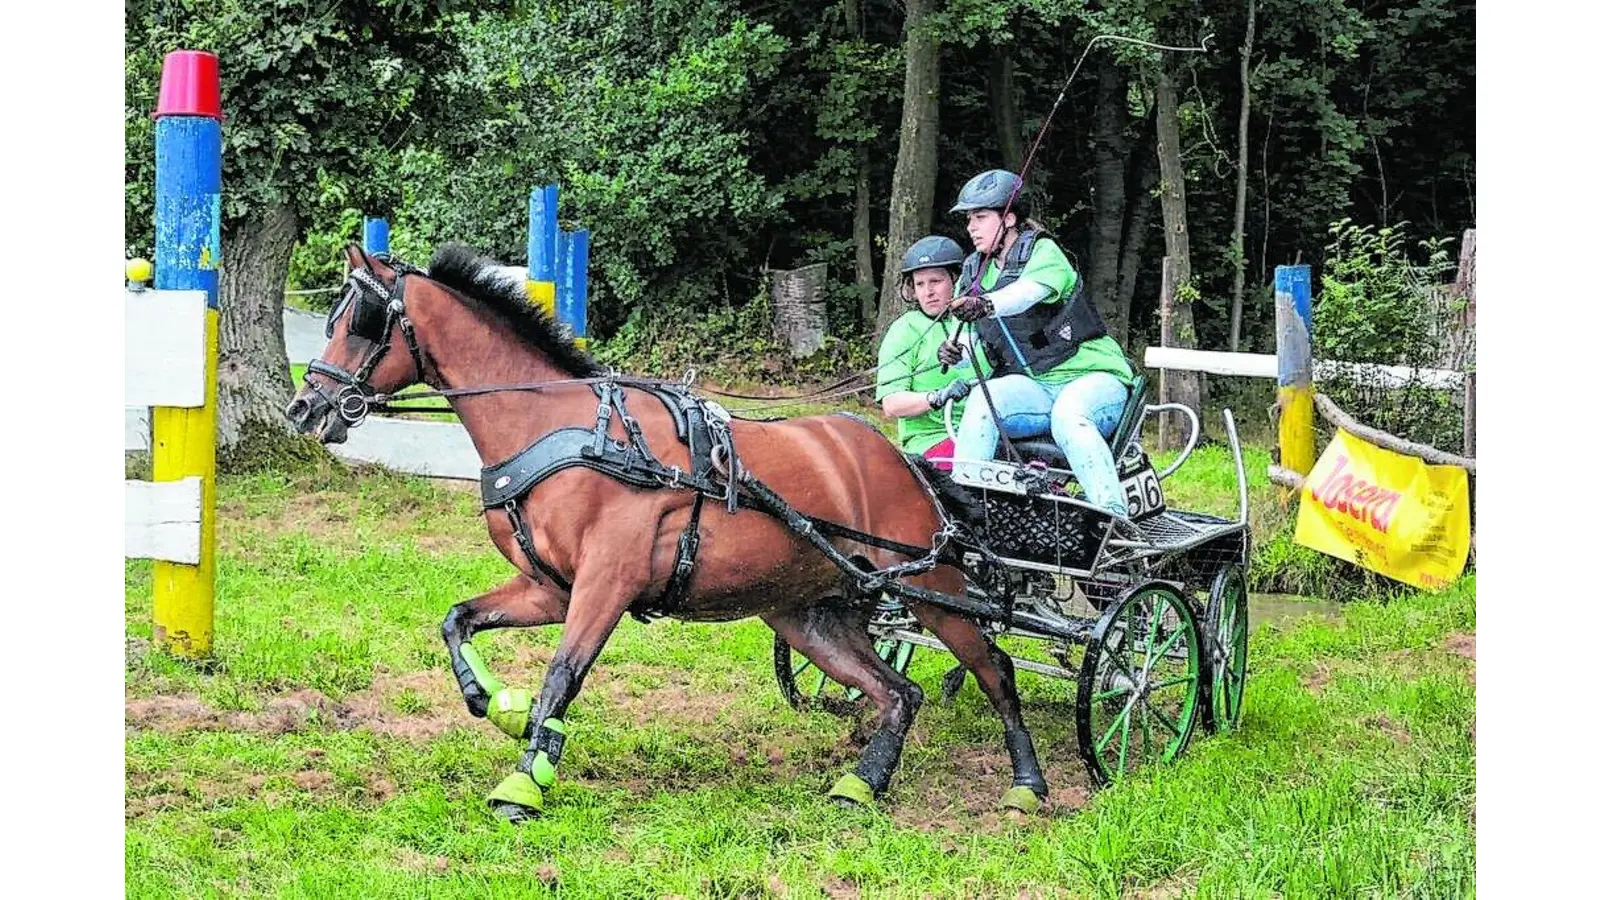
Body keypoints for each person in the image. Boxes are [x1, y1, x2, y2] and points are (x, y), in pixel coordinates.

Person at [937, 168, 1138, 517]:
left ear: (1010, 218)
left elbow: (1025, 295)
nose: (971, 227)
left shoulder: (1044, 253)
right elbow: (975, 349)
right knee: (982, 403)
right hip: (1036, 387)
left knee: (1068, 415)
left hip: (1094, 379)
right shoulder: (971, 274)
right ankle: (965, 513)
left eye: (981, 217)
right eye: (969, 219)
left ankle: (1111, 516)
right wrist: (956, 355)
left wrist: (985, 304)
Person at [875, 235, 985, 470]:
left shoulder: (978, 321)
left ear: (956, 280)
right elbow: (892, 404)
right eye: (920, 284)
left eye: (936, 281)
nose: (928, 292)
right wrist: (938, 396)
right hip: (932, 441)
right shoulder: (904, 330)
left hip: (989, 430)